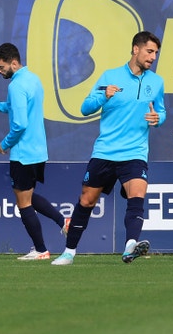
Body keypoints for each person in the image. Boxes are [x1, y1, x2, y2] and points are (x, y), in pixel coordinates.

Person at [52, 31, 166, 265]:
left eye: (156, 53)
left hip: (135, 152)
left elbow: (161, 110)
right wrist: (103, 96)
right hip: (105, 152)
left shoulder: (156, 82)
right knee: (86, 200)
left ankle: (130, 246)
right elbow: (85, 108)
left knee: (137, 194)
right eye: (149, 51)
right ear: (136, 49)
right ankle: (68, 252)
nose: (153, 57)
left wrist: (158, 118)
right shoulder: (110, 76)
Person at [0, 43, 68, 261]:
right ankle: (63, 222)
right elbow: (14, 107)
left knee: (23, 202)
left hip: (23, 153)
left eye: (1, 67)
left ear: (13, 63)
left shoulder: (16, 86)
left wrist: (5, 144)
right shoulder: (33, 79)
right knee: (28, 195)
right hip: (38, 151)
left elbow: (19, 123)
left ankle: (41, 249)